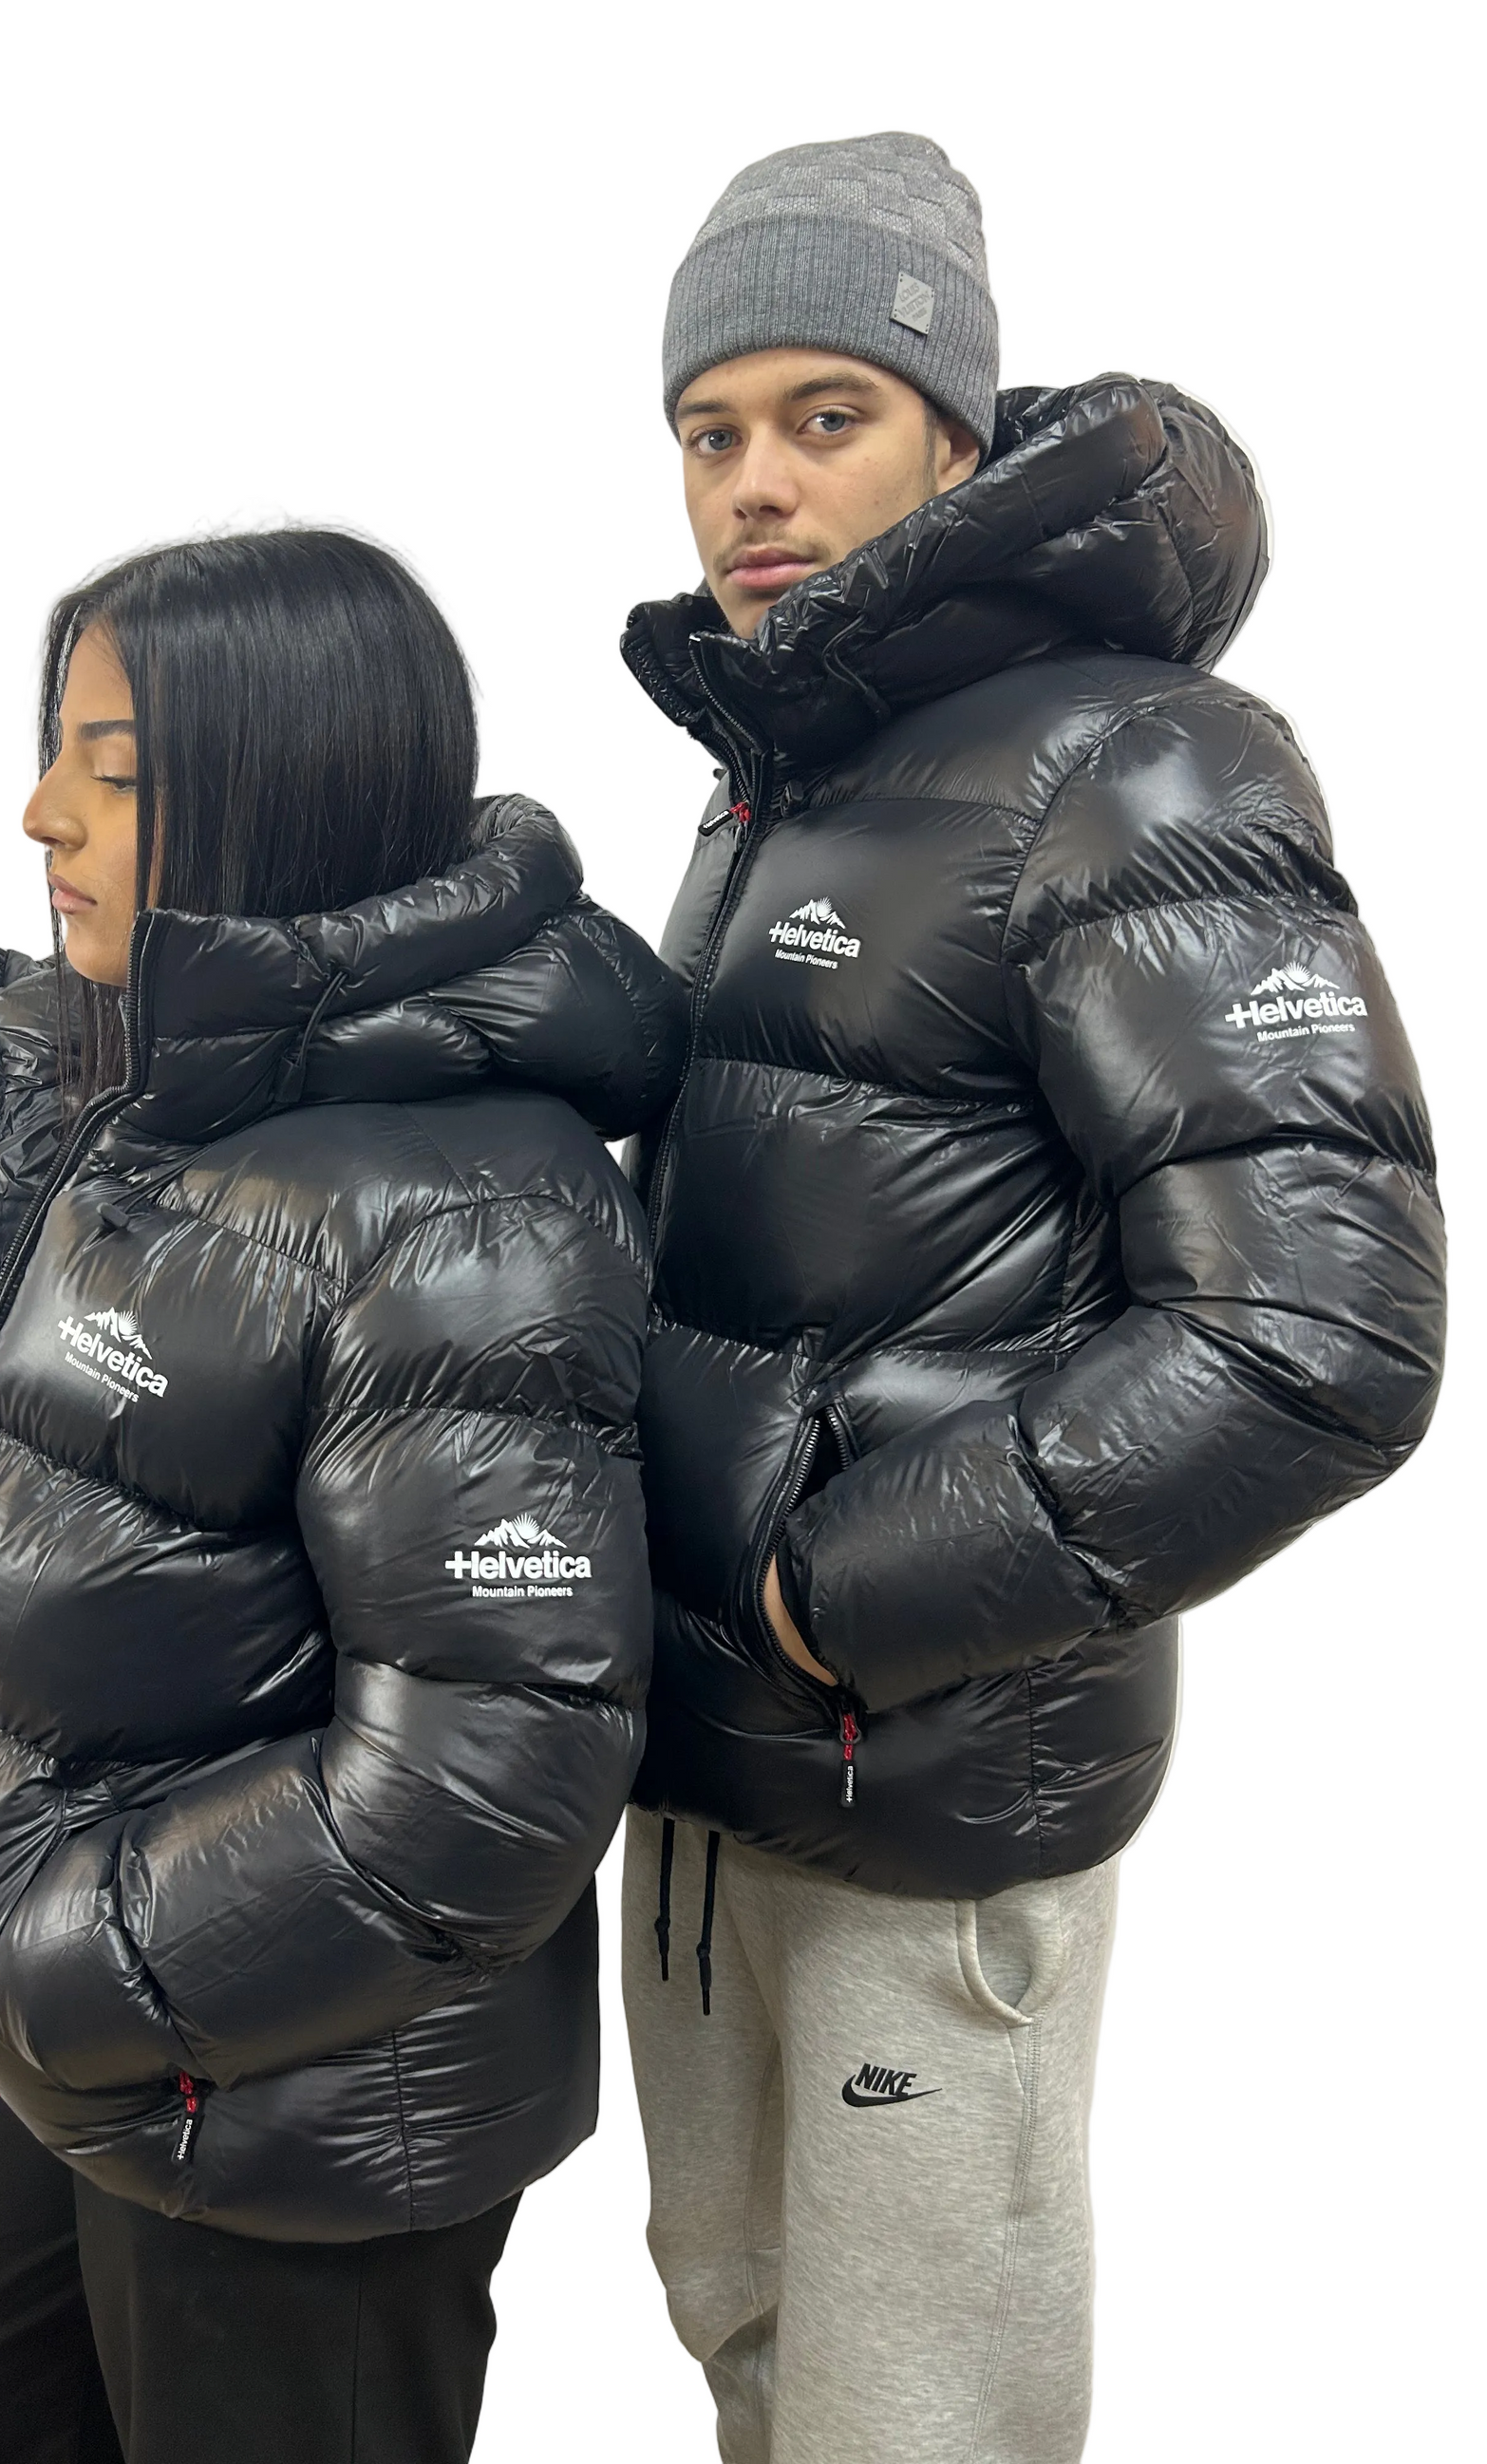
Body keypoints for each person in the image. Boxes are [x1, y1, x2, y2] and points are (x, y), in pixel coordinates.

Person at [619, 134, 1445, 2464]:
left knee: (915, 2421)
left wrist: (831, 1597)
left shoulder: (1135, 761)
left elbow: (1319, 1337)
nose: (755, 484)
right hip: (706, 1770)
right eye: (709, 429)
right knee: (743, 2339)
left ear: (957, 435)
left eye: (826, 416)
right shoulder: (781, 769)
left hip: (925, 1769)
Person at [0, 528, 684, 2463]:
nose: (42, 814)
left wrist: (75, 1955)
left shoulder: (459, 1211)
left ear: (281, 788)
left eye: (113, 770)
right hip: (80, 2027)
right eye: (54, 750)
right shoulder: (146, 1093)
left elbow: (486, 1776)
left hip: (294, 2099)